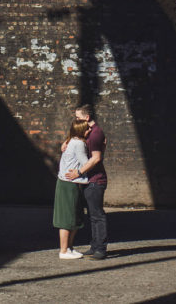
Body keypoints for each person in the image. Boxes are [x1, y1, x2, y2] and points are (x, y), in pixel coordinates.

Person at [64, 103, 107, 259]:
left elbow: (96, 158)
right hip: (89, 180)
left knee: (97, 215)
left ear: (87, 117)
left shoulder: (95, 134)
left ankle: (101, 249)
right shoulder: (88, 132)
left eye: (78, 117)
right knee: (92, 215)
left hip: (96, 180)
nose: (75, 120)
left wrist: (78, 172)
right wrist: (66, 142)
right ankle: (94, 246)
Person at [53, 118, 91, 259]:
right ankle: (63, 250)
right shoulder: (79, 144)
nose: (89, 130)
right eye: (87, 129)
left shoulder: (71, 141)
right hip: (69, 184)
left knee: (74, 216)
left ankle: (69, 248)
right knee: (67, 218)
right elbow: (86, 163)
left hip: (68, 182)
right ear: (81, 130)